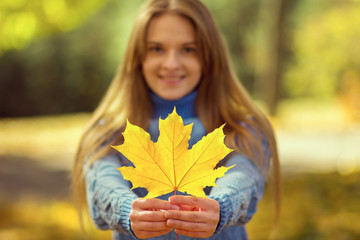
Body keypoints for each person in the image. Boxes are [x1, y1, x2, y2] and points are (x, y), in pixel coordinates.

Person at [72, 0, 280, 239]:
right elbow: (103, 183)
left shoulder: (242, 129)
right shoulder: (109, 133)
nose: (171, 64)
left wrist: (222, 207)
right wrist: (126, 209)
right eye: (156, 49)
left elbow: (244, 178)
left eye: (188, 49)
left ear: (209, 58)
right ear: (139, 58)